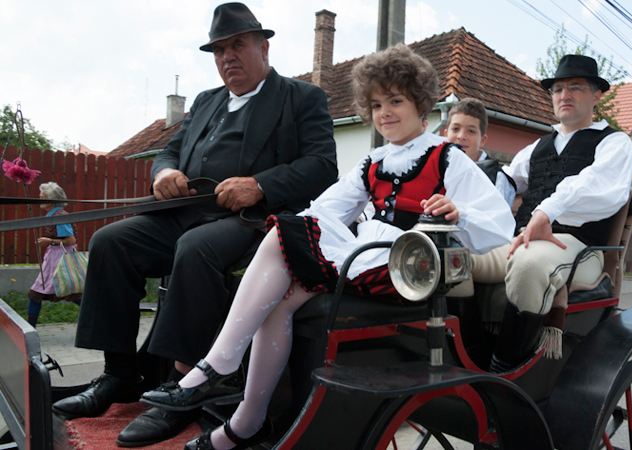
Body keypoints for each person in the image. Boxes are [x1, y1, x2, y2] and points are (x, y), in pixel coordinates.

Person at [139, 43, 514, 450]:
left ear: (420, 103)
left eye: (395, 101)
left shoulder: (447, 157)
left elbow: (501, 224)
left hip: (408, 268)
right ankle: (247, 418)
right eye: (375, 105)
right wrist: (295, 235)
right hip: (366, 255)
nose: (384, 112)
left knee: (286, 248)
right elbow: (324, 208)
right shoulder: (373, 161)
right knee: (281, 281)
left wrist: (457, 212)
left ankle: (220, 367)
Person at [52, 3, 337, 447]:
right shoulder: (206, 101)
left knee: (196, 248)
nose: (228, 57)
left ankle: (183, 387)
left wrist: (260, 185)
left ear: (264, 47)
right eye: (219, 50)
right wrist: (164, 172)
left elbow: (322, 165)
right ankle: (120, 374)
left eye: (237, 45)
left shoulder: (301, 98)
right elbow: (170, 150)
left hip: (254, 222)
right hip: (186, 214)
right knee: (111, 241)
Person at [470, 54, 632, 372]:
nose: (564, 95)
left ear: (596, 96)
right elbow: (502, 186)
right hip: (522, 240)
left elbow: (595, 184)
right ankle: (470, 358)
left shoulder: (615, 143)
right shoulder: (537, 146)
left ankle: (503, 373)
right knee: (452, 260)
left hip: (580, 247)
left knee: (529, 265)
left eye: (575, 87)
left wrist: (546, 211)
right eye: (558, 89)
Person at [26, 182, 82, 327]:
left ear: (53, 200)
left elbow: (71, 240)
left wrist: (49, 241)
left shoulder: (59, 216)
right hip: (55, 258)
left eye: (42, 197)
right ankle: (98, 319)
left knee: (36, 294)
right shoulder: (54, 215)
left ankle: (29, 329)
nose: (39, 200)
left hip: (60, 259)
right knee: (70, 294)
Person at [444, 98, 516, 207]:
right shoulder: (437, 167)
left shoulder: (495, 178)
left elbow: (495, 215)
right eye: (455, 129)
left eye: (471, 131)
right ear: (446, 135)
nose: (461, 136)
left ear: (482, 140)